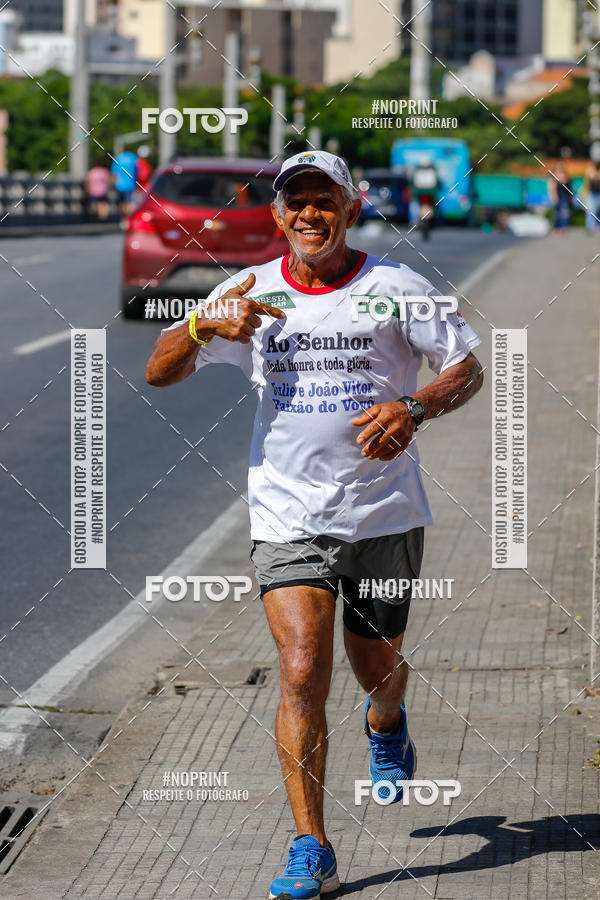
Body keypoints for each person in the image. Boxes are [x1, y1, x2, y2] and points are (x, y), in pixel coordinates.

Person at [145, 150, 483, 900]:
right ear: (277, 215)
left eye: (324, 200)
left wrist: (416, 407)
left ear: (351, 209)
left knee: (376, 667)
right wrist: (200, 325)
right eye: (294, 202)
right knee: (301, 670)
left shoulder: (396, 288)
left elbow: (467, 367)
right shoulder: (248, 291)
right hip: (287, 513)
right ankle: (312, 846)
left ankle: (386, 720)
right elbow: (157, 370)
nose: (308, 214)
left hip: (384, 512)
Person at [111, 145, 138, 219]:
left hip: (119, 185)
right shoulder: (133, 158)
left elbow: (114, 173)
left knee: (121, 203)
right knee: (129, 202)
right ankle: (128, 218)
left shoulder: (118, 158)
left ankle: (123, 218)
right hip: (131, 184)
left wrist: (112, 185)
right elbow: (138, 171)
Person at [549, 163, 572, 236]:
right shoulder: (554, 177)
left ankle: (564, 228)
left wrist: (571, 196)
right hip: (558, 197)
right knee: (557, 214)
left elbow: (569, 188)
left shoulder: (567, 177)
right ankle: (557, 228)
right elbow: (553, 188)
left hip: (565, 197)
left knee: (564, 214)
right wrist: (554, 196)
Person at [583, 159, 600, 235]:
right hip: (591, 194)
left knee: (596, 211)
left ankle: (595, 227)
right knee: (590, 211)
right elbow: (591, 178)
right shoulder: (589, 171)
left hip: (598, 193)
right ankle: (590, 227)